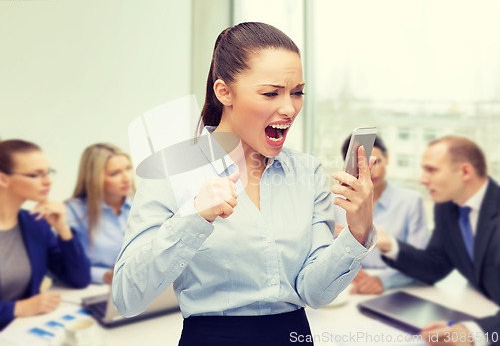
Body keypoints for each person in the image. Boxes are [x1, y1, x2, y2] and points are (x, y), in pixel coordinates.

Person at [112, 22, 377, 346]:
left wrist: (358, 231)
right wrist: (193, 218)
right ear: (224, 92)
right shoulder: (172, 172)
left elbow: (314, 292)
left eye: (297, 92)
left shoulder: (307, 172)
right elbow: (127, 297)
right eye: (271, 93)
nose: (289, 108)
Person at [378, 135, 500, 346]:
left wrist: (475, 332)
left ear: (465, 171)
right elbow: (436, 266)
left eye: (431, 170)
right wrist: (389, 244)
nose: (422, 180)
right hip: (481, 308)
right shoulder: (446, 207)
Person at [0, 140, 90, 331]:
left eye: (48, 172)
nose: (48, 181)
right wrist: (17, 308)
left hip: (19, 332)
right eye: (35, 175)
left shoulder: (35, 223)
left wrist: (63, 229)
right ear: (3, 179)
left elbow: (79, 279)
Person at [335, 135, 428, 294]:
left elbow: (422, 262)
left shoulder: (411, 202)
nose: (371, 170)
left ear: (388, 158)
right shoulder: (336, 203)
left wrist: (384, 281)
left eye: (376, 161)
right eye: (361, 165)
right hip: (347, 288)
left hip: (396, 288)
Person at [66, 143, 134, 285]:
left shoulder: (142, 205)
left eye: (128, 169)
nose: (126, 178)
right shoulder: (73, 212)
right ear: (94, 178)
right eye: (115, 173)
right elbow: (64, 267)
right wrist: (105, 275)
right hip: (97, 289)